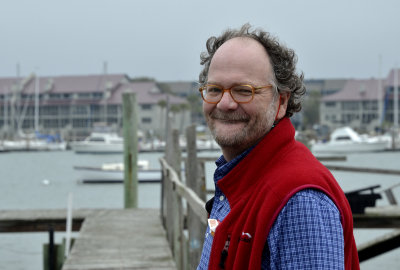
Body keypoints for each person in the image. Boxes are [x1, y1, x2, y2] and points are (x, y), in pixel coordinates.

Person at [197, 24, 360, 270]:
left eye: (244, 91)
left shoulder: (300, 200)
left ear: (281, 102)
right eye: (215, 89)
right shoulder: (238, 178)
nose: (225, 103)